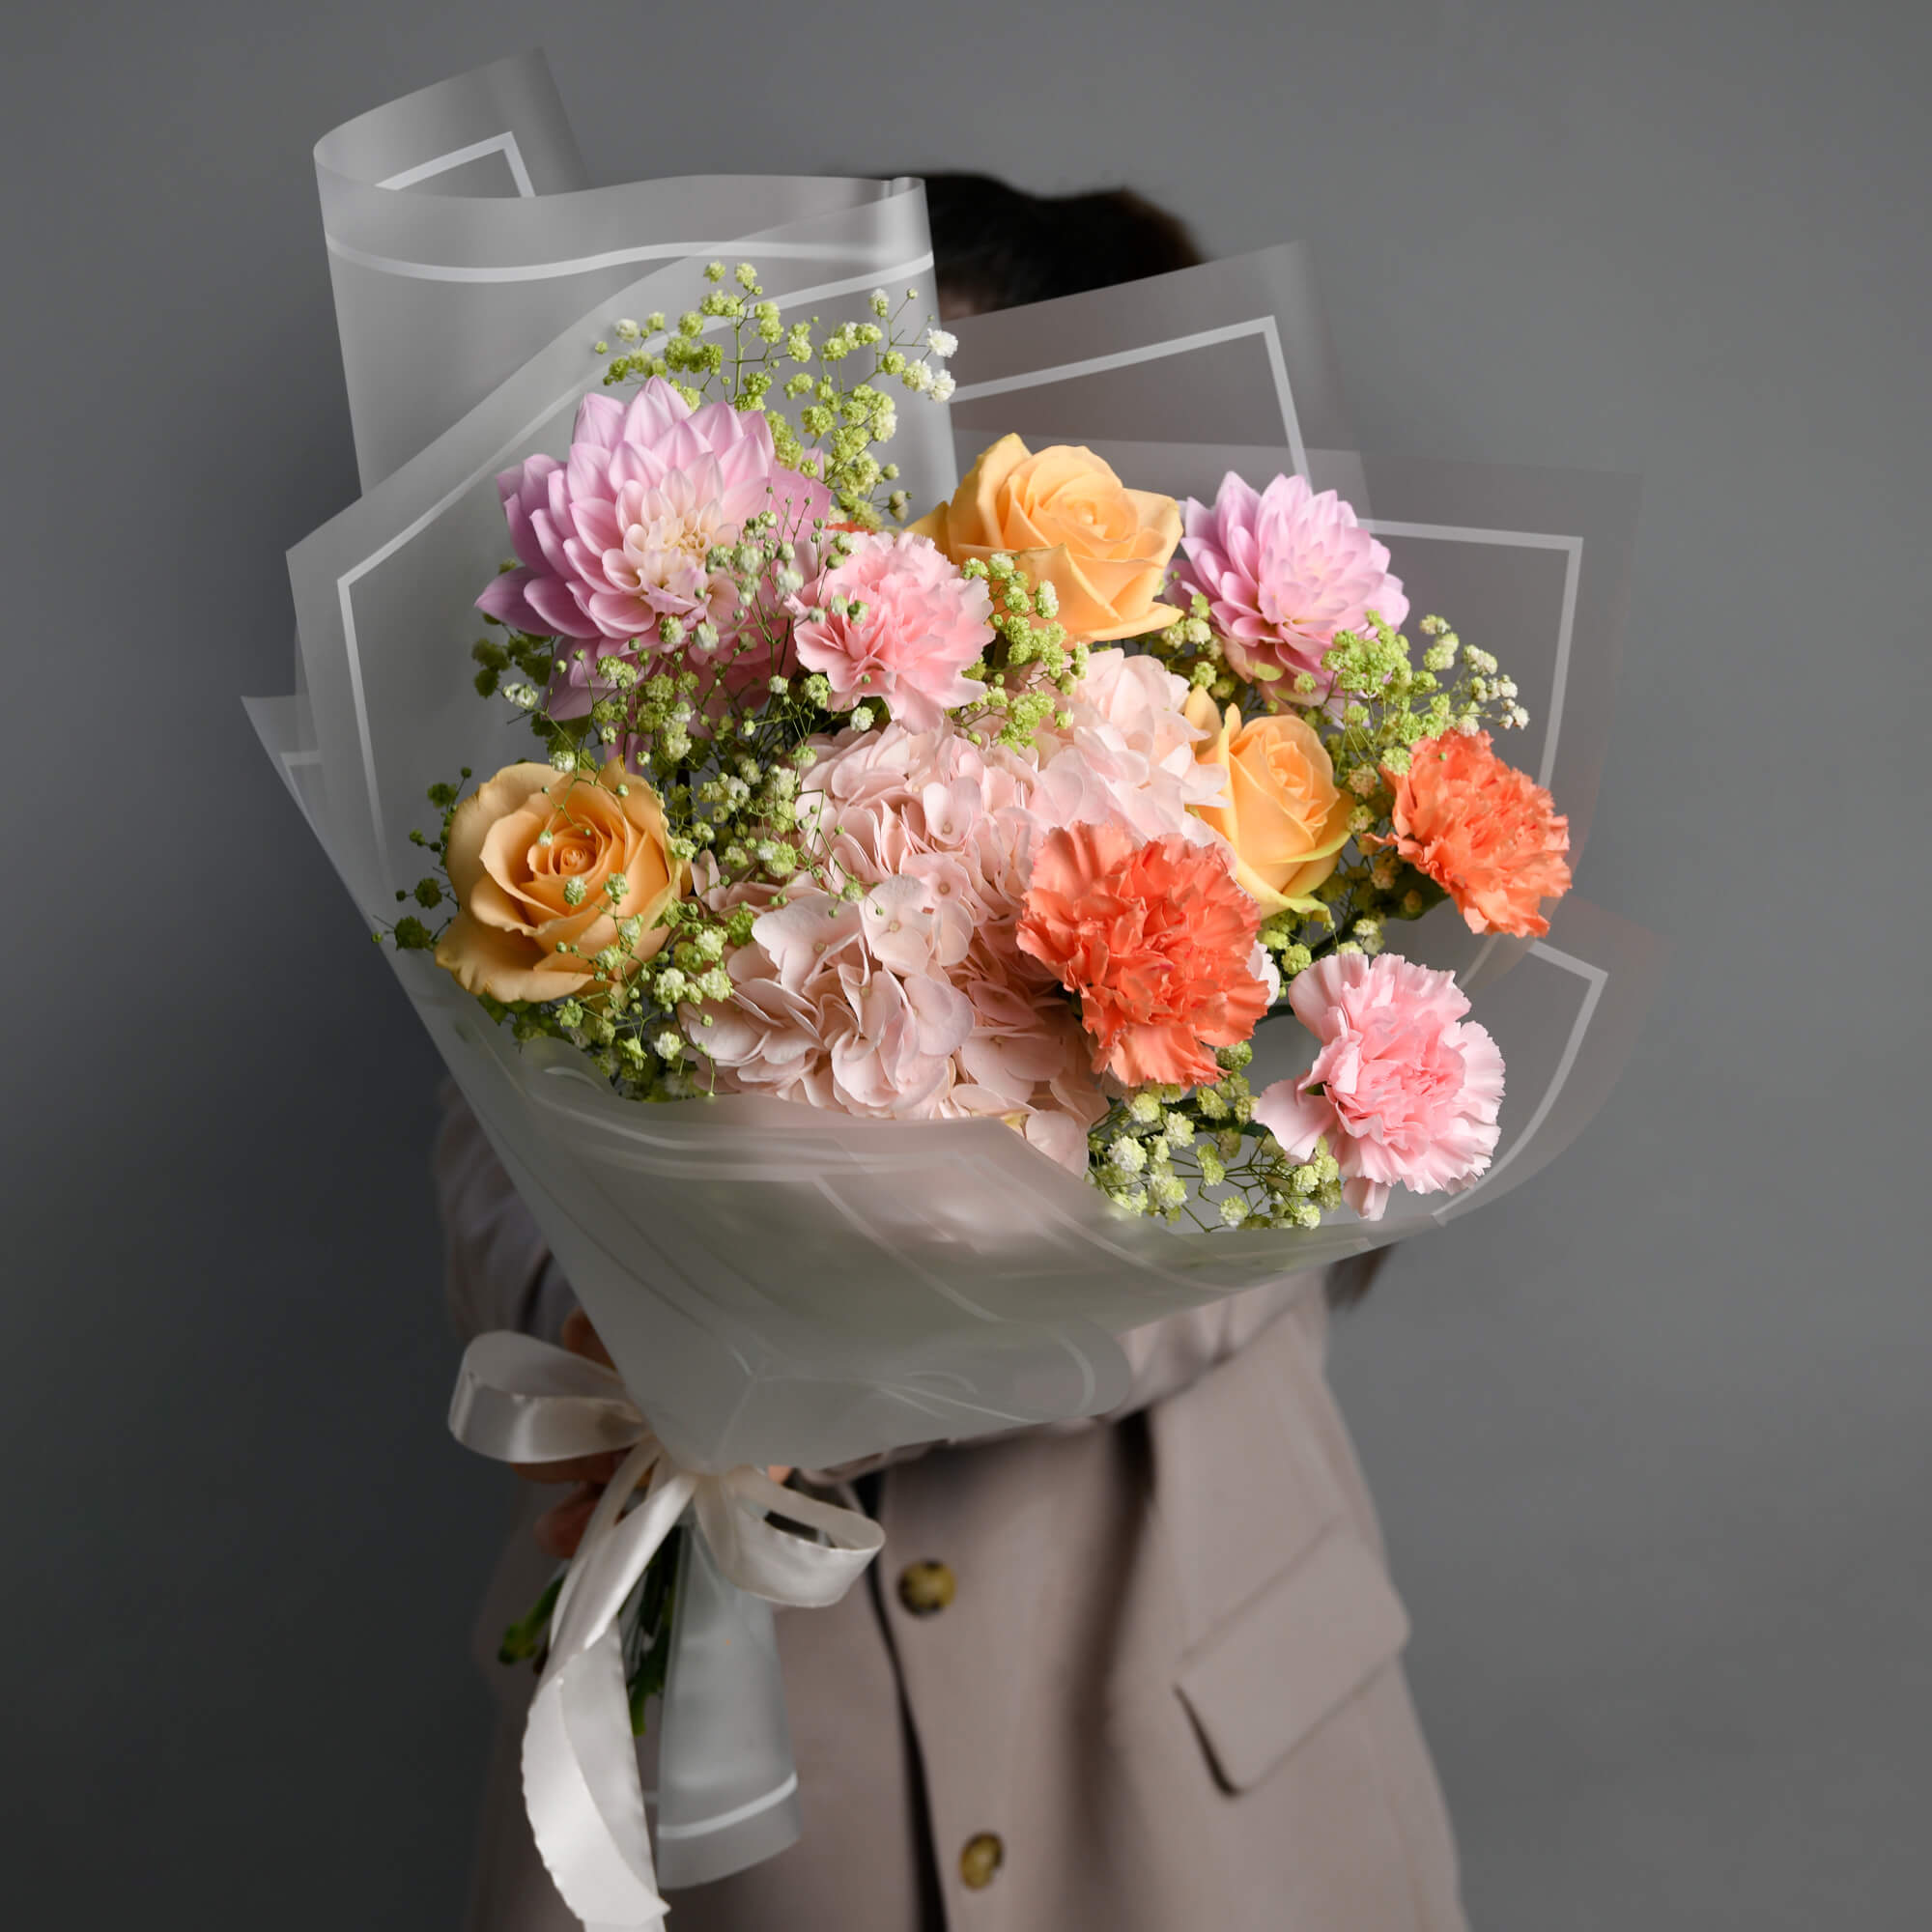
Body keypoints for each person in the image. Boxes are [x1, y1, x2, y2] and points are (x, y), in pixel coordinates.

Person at [441, 178, 1463, 1932]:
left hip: (1200, 1760)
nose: (947, 530)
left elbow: (1264, 1225)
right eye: (900, 461)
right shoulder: (626, 802)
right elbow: (502, 1190)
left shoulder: (1261, 794)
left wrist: (827, 1343)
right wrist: (643, 1322)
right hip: (774, 1793)